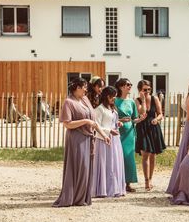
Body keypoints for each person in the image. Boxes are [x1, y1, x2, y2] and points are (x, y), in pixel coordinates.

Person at [53, 77, 109, 208]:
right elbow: (67, 124)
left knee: (86, 168)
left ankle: (82, 197)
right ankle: (72, 197)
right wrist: (85, 121)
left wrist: (104, 134)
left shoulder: (85, 99)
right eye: (84, 87)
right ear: (77, 88)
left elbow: (93, 121)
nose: (86, 89)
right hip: (76, 138)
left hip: (89, 138)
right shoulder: (69, 102)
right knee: (79, 166)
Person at [91, 86, 126, 198]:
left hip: (115, 139)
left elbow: (112, 122)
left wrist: (118, 124)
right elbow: (97, 126)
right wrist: (109, 130)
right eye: (113, 96)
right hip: (103, 139)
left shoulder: (113, 109)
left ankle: (115, 187)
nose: (114, 99)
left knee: (114, 163)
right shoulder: (99, 109)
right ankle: (103, 188)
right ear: (107, 96)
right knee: (105, 163)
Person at [135, 80, 166, 191]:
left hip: (153, 127)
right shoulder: (137, 100)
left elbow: (160, 113)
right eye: (145, 89)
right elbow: (141, 113)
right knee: (145, 154)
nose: (147, 91)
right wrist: (143, 100)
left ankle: (151, 179)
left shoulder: (155, 99)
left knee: (153, 155)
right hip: (142, 128)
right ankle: (146, 181)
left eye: (149, 89)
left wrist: (156, 119)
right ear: (140, 90)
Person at [114, 78, 144, 192]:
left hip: (130, 134)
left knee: (129, 158)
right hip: (118, 132)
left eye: (131, 84)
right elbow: (111, 117)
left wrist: (140, 119)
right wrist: (121, 119)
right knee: (118, 157)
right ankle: (117, 182)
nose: (130, 86)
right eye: (127, 84)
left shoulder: (131, 102)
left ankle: (128, 183)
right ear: (121, 87)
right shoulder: (115, 101)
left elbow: (134, 118)